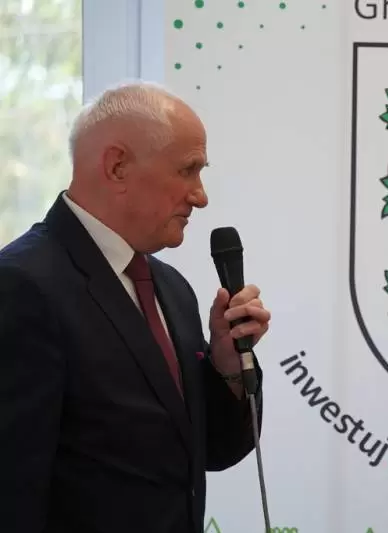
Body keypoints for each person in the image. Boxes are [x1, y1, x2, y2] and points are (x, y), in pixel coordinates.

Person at [0, 82, 271, 533]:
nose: (201, 196)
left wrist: (227, 365)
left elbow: (210, 452)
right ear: (117, 166)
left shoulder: (172, 289)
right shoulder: (21, 285)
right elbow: (11, 490)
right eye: (188, 170)